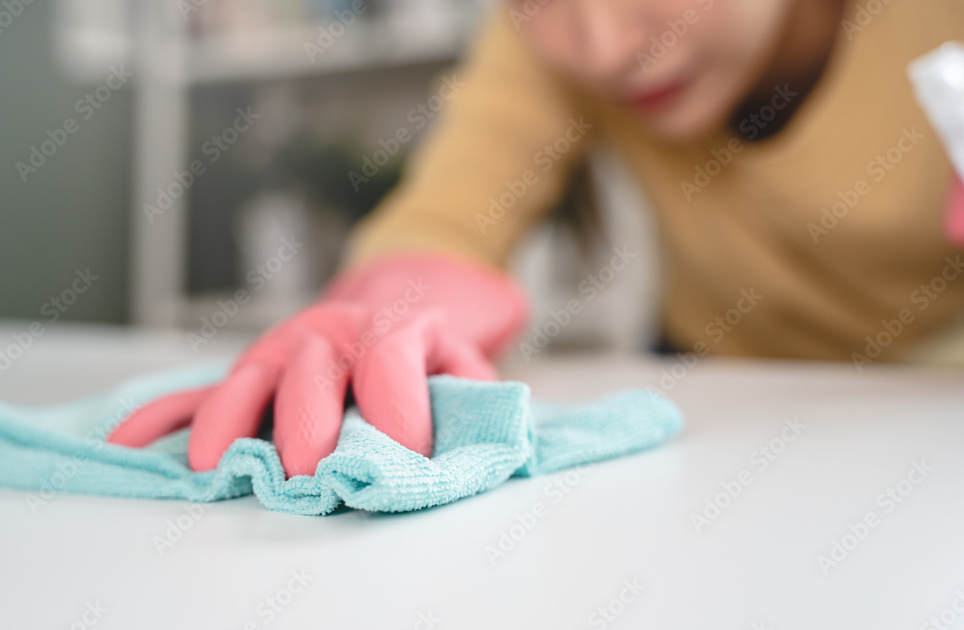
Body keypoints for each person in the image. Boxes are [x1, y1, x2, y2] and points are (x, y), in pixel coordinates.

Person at [109, 0, 964, 478]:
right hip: (704, 391)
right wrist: (383, 319)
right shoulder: (546, 50)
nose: (598, 48)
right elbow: (451, 220)